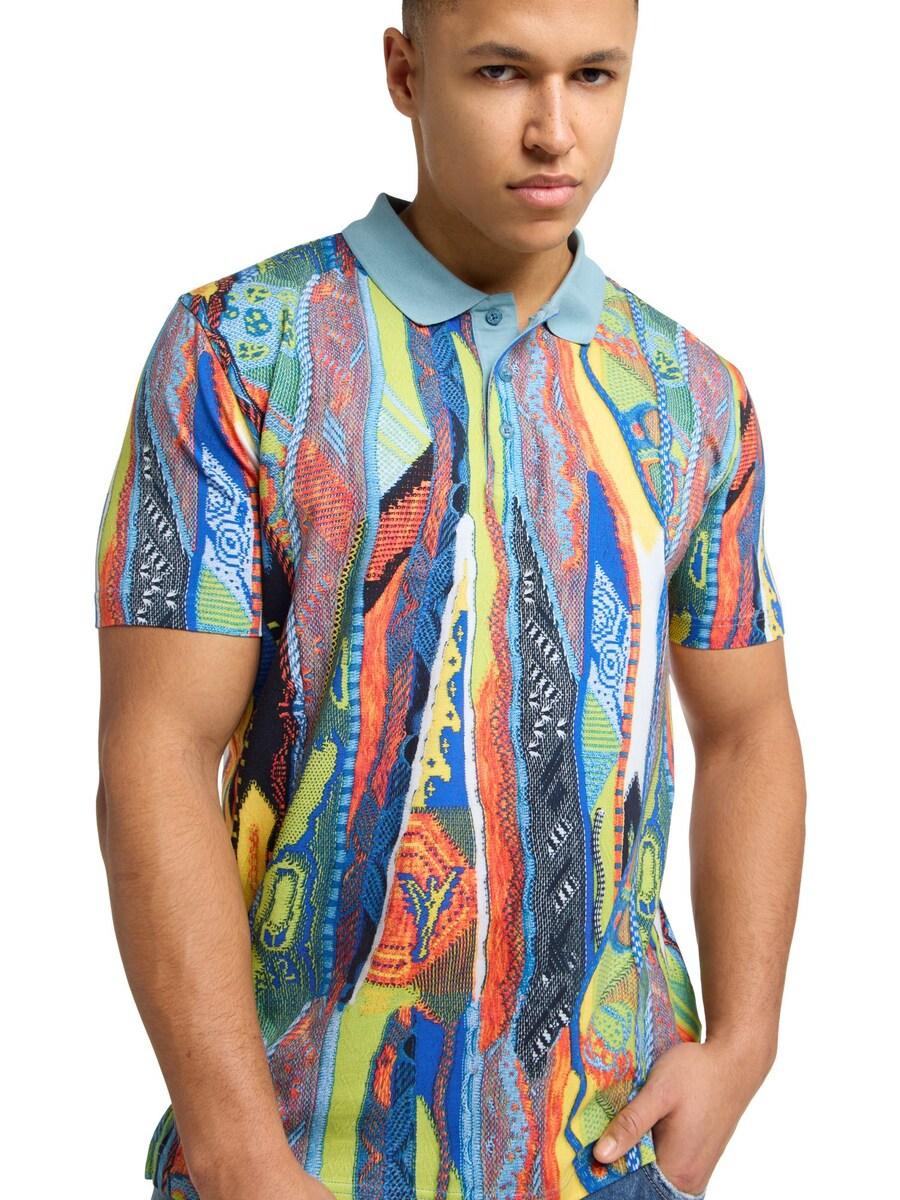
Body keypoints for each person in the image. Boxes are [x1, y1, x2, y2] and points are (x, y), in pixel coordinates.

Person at [93, 2, 805, 1199]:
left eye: (594, 76)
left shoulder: (689, 394)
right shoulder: (241, 348)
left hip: (609, 1149)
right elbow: (154, 749)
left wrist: (743, 1044)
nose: (554, 130)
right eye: (502, 73)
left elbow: (748, 729)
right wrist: (237, 1150)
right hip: (296, 1157)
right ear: (405, 71)